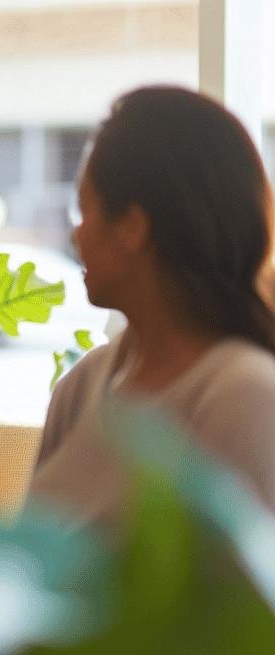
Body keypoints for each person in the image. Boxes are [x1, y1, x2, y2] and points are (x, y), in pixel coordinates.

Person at [29, 86, 275, 530]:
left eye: (84, 213)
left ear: (132, 227)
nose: (75, 237)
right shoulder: (82, 387)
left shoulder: (246, 398)